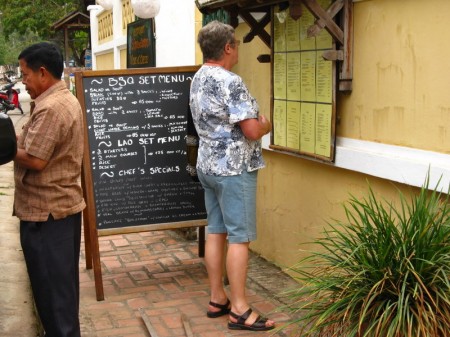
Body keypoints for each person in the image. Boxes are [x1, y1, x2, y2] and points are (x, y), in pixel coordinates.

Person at [189, 20, 275, 331]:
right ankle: (239, 308)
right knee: (240, 237)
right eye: (236, 44)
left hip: (208, 166)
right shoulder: (231, 81)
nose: (237, 49)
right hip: (233, 169)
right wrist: (265, 124)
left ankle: (218, 298)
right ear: (228, 48)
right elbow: (251, 129)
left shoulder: (198, 78)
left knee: (216, 230)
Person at [13, 42, 86, 337]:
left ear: (43, 73)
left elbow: (35, 158)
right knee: (60, 294)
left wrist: (7, 148)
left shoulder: (53, 108)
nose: (24, 82)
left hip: (48, 216)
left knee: (55, 298)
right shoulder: (56, 101)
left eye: (25, 74)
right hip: (57, 213)